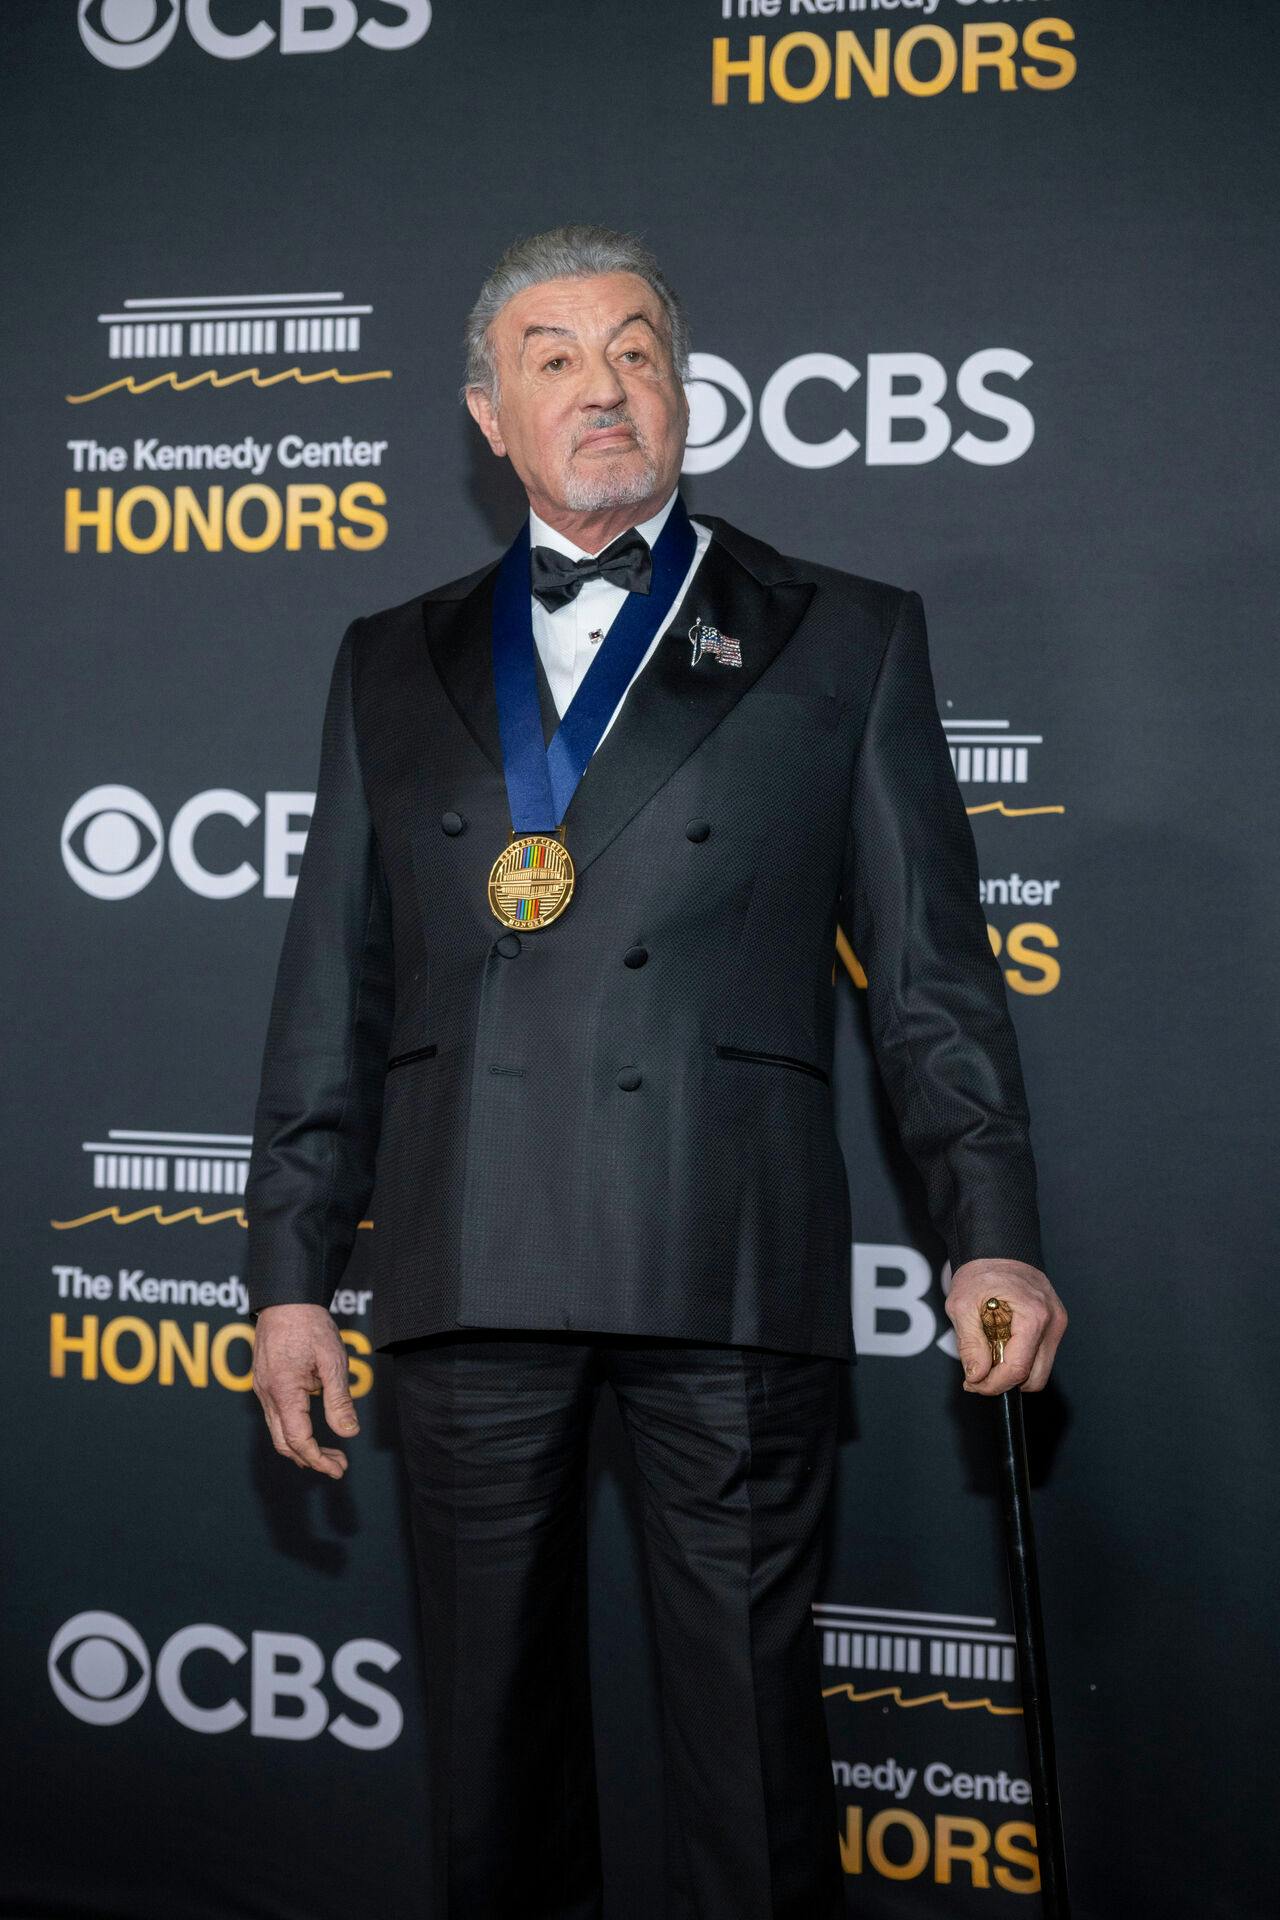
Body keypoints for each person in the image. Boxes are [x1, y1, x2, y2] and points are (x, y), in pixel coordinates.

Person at [243, 223, 1068, 1919]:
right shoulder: (384, 657)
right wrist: (288, 1278)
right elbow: (334, 982)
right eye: (553, 359)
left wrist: (986, 1230)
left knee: (755, 1759)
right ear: (488, 415)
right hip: (466, 1248)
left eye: (635, 352)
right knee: (488, 1756)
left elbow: (931, 982)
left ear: (683, 392)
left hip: (728, 1244)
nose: (601, 388)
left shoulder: (844, 633)